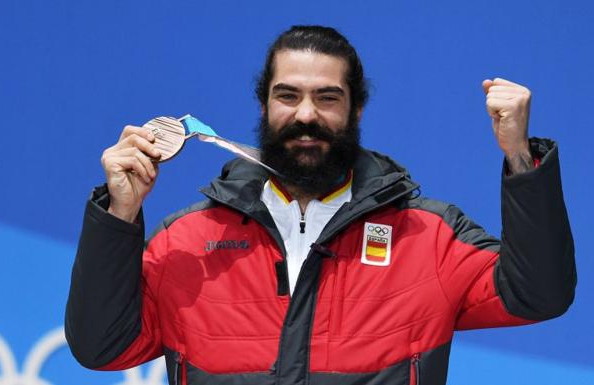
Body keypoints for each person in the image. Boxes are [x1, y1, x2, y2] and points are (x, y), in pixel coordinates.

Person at [65, 26, 576, 385]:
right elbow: (102, 346)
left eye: (327, 98)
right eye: (288, 96)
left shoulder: (428, 236)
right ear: (264, 104)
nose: (306, 114)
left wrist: (518, 157)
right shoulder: (188, 242)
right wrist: (119, 213)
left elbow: (539, 295)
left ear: (355, 108)